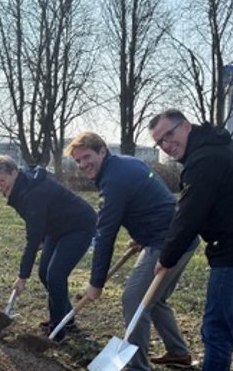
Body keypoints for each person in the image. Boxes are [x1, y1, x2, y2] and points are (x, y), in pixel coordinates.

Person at [148, 109, 233, 371]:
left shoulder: (204, 160)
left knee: (216, 331)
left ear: (186, 126)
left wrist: (166, 259)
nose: (166, 144)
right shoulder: (221, 143)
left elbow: (188, 216)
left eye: (170, 134)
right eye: (159, 141)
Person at [65, 132, 199, 370]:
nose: (82, 164)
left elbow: (105, 234)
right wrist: (140, 236)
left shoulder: (113, 180)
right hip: (179, 236)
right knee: (154, 300)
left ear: (102, 151)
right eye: (77, 161)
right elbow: (149, 200)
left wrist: (96, 283)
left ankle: (136, 367)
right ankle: (178, 353)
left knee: (133, 299)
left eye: (86, 157)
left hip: (167, 241)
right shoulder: (125, 164)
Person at [0, 155, 96, 342]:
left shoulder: (33, 192)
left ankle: (58, 331)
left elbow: (33, 236)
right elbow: (37, 223)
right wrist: (42, 239)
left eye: (2, 181)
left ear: (14, 173)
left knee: (55, 275)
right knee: (45, 273)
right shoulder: (19, 186)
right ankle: (66, 318)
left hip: (79, 225)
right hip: (56, 227)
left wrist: (22, 276)